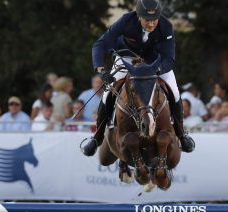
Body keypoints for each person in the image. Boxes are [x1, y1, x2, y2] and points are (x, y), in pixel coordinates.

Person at [81, 0, 195, 156]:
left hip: (155, 63)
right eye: (148, 20)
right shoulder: (126, 20)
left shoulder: (166, 26)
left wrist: (154, 70)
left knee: (174, 92)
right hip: (128, 58)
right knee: (108, 93)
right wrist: (101, 70)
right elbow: (100, 44)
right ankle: (97, 138)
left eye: (155, 19)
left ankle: (182, 135)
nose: (152, 23)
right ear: (138, 17)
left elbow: (169, 58)